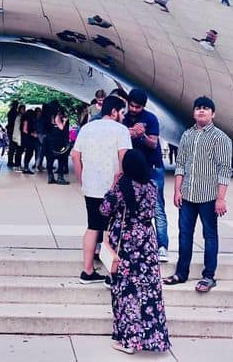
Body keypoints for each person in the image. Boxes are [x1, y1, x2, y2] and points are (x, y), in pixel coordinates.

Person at [100, 149, 171, 354]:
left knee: (127, 291)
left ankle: (129, 340)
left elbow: (104, 209)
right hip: (147, 242)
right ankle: (152, 338)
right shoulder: (151, 186)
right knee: (149, 291)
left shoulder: (122, 187)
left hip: (126, 245)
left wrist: (114, 186)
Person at [163, 97, 231, 293]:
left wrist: (220, 197)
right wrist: (177, 190)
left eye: (206, 109)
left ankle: (209, 276)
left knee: (210, 235)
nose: (202, 111)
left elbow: (224, 170)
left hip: (209, 196)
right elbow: (181, 164)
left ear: (213, 114)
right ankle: (180, 273)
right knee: (184, 234)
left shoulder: (221, 138)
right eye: (198, 108)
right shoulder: (187, 135)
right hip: (187, 196)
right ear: (194, 112)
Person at [71, 95, 132, 284]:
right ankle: (110, 275)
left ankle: (87, 271)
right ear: (114, 112)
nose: (123, 116)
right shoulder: (121, 130)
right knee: (109, 229)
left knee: (92, 227)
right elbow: (124, 157)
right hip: (112, 188)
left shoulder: (87, 128)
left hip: (91, 187)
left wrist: (82, 179)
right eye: (122, 112)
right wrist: (120, 180)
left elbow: (75, 156)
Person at [123, 88, 169, 263]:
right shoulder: (123, 118)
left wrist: (141, 136)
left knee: (157, 207)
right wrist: (129, 132)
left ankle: (162, 246)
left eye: (138, 107)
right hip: (132, 169)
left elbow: (153, 143)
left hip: (152, 167)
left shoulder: (150, 119)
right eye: (132, 106)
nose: (134, 109)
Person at [46, 105, 71, 185]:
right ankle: (60, 178)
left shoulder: (48, 117)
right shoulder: (57, 117)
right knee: (61, 158)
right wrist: (64, 121)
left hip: (49, 140)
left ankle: (51, 177)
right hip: (58, 141)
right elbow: (61, 128)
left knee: (50, 160)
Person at [20, 108, 37, 175]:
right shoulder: (27, 120)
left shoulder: (26, 119)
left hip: (26, 138)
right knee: (29, 153)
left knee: (29, 153)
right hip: (28, 138)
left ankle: (26, 167)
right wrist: (33, 134)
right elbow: (25, 130)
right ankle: (26, 167)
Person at [9, 104, 25, 171]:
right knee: (18, 151)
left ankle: (18, 164)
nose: (24, 110)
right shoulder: (19, 117)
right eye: (22, 109)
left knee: (19, 151)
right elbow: (17, 129)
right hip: (18, 136)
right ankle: (17, 165)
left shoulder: (21, 117)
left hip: (19, 136)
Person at [6, 101, 20, 168]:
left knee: (12, 147)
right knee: (13, 147)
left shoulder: (11, 112)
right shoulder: (14, 112)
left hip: (11, 130)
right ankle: (10, 161)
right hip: (13, 131)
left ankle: (10, 161)